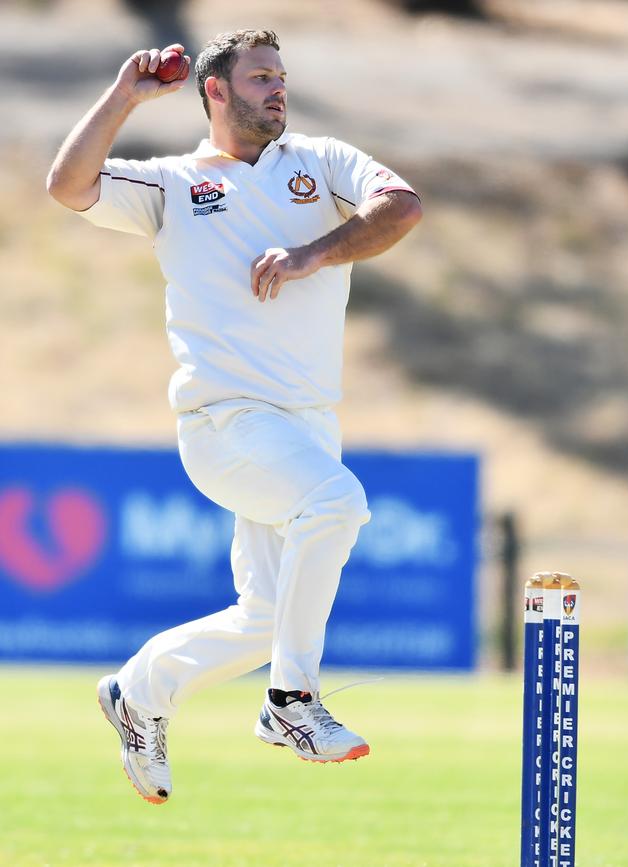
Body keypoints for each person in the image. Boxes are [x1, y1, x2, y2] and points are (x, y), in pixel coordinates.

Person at [47, 29, 421, 804]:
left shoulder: (321, 162)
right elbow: (68, 186)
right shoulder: (174, 184)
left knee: (263, 618)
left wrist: (312, 253)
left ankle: (139, 692)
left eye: (281, 77)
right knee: (337, 501)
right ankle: (291, 703)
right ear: (216, 91)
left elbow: (402, 206)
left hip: (307, 421)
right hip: (226, 422)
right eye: (259, 78)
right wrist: (124, 95)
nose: (277, 89)